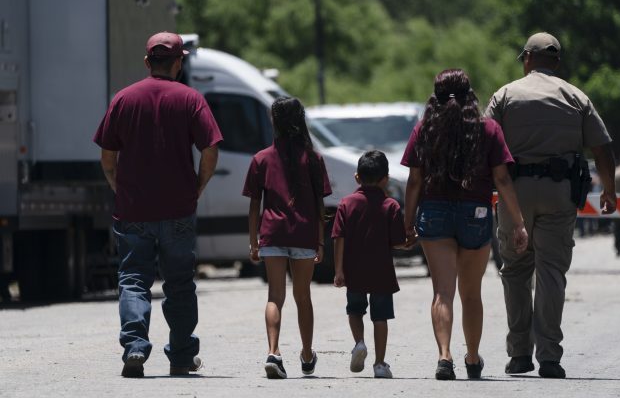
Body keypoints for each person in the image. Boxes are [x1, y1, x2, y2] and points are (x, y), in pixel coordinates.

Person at [485, 32, 617, 379]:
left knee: (515, 271)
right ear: (556, 63)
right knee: (551, 272)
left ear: (527, 58)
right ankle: (549, 357)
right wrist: (610, 190)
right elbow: (602, 148)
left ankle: (518, 355)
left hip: (515, 194)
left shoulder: (505, 95)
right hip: (560, 192)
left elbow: (486, 144)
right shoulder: (576, 96)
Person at [94, 32, 223, 378]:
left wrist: (119, 187)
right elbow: (210, 149)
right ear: (179, 63)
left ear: (148, 62)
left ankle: (135, 347)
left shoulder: (123, 99)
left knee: (134, 279)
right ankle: (181, 355)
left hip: (134, 210)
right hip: (178, 208)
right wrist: (198, 185)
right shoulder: (191, 99)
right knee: (179, 282)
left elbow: (108, 157)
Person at [402, 68, 528, 381]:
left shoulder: (424, 130)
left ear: (436, 95)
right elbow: (501, 178)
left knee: (442, 293)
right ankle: (472, 358)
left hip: (434, 211)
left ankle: (444, 356)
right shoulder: (488, 129)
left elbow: (415, 181)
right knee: (471, 294)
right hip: (476, 213)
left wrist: (406, 223)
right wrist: (518, 223)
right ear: (470, 93)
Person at [243, 96, 332, 379]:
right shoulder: (314, 158)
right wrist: (320, 241)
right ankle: (307, 355)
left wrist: (254, 241)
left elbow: (254, 206)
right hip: (304, 234)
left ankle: (274, 351)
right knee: (303, 296)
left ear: (274, 122)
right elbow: (320, 205)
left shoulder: (261, 159)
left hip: (272, 234)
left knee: (275, 296)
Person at [332, 150, 409, 379]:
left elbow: (338, 237)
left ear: (357, 177)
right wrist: (409, 242)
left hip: (354, 270)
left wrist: (339, 269)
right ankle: (379, 363)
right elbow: (397, 242)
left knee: (355, 310)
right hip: (381, 272)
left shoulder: (346, 204)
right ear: (385, 178)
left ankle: (359, 343)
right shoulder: (391, 205)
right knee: (380, 317)